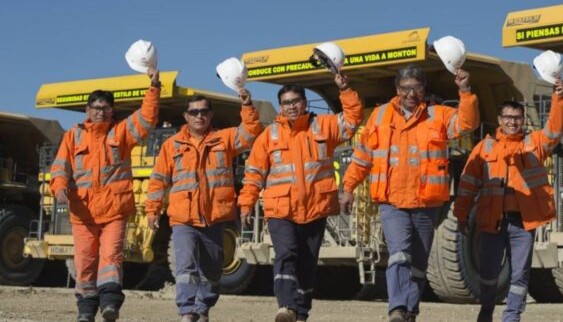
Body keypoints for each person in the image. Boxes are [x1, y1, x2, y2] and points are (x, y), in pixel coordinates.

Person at [340, 64, 479, 322]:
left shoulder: (438, 115)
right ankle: (396, 308)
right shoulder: (380, 116)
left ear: (424, 90)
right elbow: (362, 157)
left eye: (416, 88)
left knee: (418, 262)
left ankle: (410, 311)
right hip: (391, 201)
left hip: (426, 202)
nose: (411, 93)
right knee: (399, 253)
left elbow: (468, 123)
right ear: (397, 89)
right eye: (406, 88)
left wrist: (465, 91)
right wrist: (348, 187)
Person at [238, 73, 362, 322]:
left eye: (296, 101)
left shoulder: (323, 125)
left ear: (305, 102)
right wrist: (246, 203)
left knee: (307, 262)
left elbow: (352, 121)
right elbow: (253, 173)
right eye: (286, 102)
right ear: (281, 107)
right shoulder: (269, 136)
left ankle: (301, 312)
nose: (292, 106)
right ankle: (285, 306)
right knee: (286, 254)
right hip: (281, 209)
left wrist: (345, 89)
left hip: (316, 207)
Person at [50, 67, 161, 322]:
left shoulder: (121, 132)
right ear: (87, 111)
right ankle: (86, 310)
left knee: (111, 258)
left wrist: (153, 89)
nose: (100, 112)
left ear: (112, 111)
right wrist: (59, 188)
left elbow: (146, 119)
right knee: (85, 263)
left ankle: (110, 304)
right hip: (83, 213)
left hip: (114, 211)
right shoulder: (73, 136)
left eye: (105, 108)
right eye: (96, 108)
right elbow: (60, 167)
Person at [454, 79, 563, 322]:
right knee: (488, 272)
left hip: (522, 222)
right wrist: (461, 215)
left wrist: (558, 100)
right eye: (508, 117)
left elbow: (556, 130)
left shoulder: (534, 143)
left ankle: (512, 316)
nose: (512, 122)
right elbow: (466, 185)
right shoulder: (484, 148)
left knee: (520, 273)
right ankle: (487, 309)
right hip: (491, 220)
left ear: (523, 119)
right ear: (499, 120)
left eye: (517, 117)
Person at [145, 88, 261, 322]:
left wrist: (247, 105)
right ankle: (186, 311)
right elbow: (158, 179)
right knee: (185, 264)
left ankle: (202, 308)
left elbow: (250, 133)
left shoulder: (224, 139)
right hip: (183, 218)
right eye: (194, 112)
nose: (199, 116)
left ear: (210, 115)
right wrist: (153, 209)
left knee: (212, 269)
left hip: (214, 218)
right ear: (186, 116)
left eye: (204, 111)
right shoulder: (172, 145)